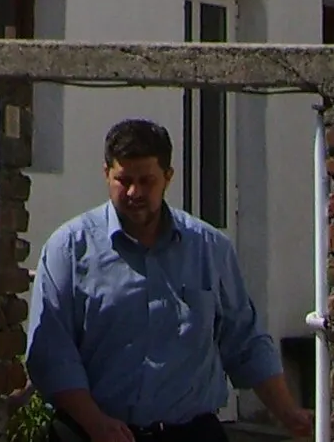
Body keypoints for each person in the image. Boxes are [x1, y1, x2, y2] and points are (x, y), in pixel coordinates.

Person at [27, 117, 315, 442]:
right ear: (106, 174)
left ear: (168, 177)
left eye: (147, 181)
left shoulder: (209, 249)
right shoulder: (68, 249)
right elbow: (51, 352)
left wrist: (288, 413)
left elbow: (244, 341)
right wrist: (95, 423)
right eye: (124, 180)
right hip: (91, 433)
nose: (135, 192)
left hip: (190, 432)